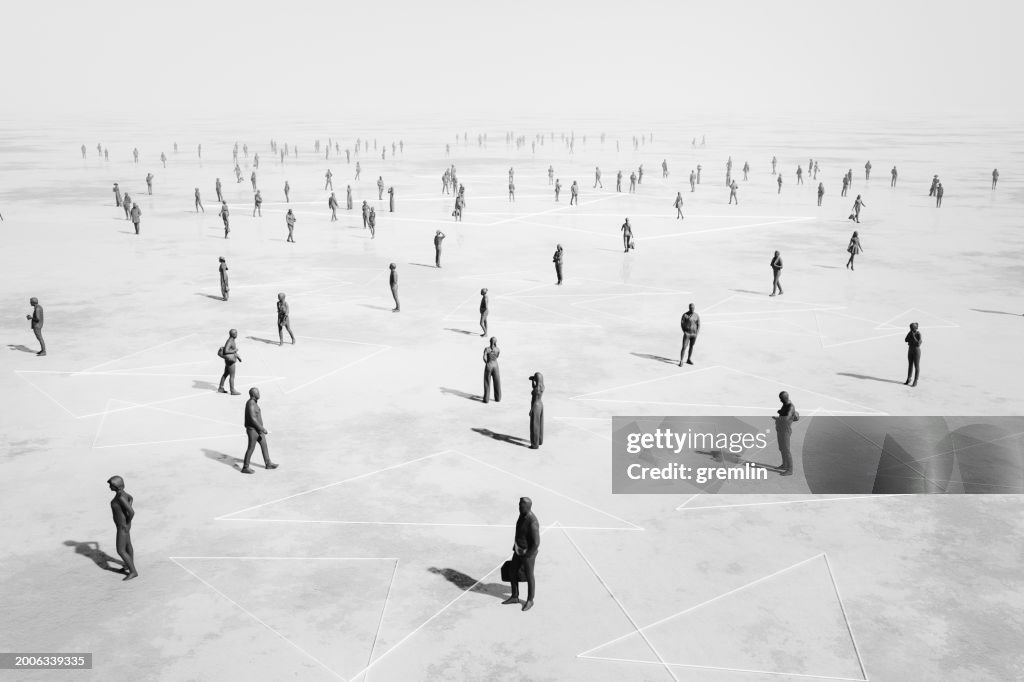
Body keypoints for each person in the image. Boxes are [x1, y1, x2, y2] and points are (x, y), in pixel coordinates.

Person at [502, 497, 540, 611]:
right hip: (518, 550)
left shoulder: (532, 521)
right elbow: (519, 532)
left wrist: (528, 555)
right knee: (512, 571)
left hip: (528, 553)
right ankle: (515, 596)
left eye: (522, 506)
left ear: (528, 507)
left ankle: (530, 600)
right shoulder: (522, 515)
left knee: (529, 576)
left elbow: (536, 543)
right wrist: (516, 547)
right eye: (519, 506)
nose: (519, 508)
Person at [107, 476, 138, 580]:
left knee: (120, 550)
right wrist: (127, 523)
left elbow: (132, 512)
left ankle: (133, 571)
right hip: (124, 526)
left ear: (116, 485)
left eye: (111, 484)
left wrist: (127, 522)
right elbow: (131, 498)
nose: (109, 486)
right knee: (128, 545)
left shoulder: (120, 497)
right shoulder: (123, 494)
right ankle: (129, 565)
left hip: (122, 527)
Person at [241, 387, 279, 474]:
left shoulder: (254, 403)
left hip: (258, 430)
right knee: (251, 448)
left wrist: (261, 429)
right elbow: (253, 419)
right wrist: (262, 428)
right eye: (258, 393)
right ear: (254, 394)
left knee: (264, 445)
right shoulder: (250, 403)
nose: (259, 394)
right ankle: (245, 467)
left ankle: (268, 463)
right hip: (253, 430)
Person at [772, 392, 798, 475]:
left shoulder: (790, 407)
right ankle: (785, 465)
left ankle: (790, 470)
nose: (780, 400)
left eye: (781, 398)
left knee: (786, 449)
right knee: (781, 448)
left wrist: (777, 418)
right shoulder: (785, 405)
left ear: (785, 398)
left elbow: (786, 419)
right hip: (780, 429)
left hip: (785, 430)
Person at [217, 330, 242, 394]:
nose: (237, 334)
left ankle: (220, 388)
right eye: (236, 333)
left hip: (229, 360)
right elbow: (226, 351)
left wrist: (238, 357)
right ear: (232, 334)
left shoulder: (232, 340)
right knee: (232, 376)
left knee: (225, 374)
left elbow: (231, 350)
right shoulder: (230, 341)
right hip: (230, 362)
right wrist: (234, 350)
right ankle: (232, 390)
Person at [483, 337, 501, 403]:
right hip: (495, 365)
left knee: (487, 381)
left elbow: (484, 357)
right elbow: (498, 355)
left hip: (489, 364)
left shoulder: (487, 349)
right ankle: (498, 397)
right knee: (497, 381)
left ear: (490, 341)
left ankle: (486, 398)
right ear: (495, 342)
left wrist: (487, 362)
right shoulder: (498, 349)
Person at [528, 373, 544, 449]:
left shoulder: (537, 389)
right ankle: (540, 440)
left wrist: (531, 410)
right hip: (541, 404)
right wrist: (533, 381)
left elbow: (535, 399)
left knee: (534, 425)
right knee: (540, 423)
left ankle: (534, 444)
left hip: (536, 406)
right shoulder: (541, 387)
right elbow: (535, 387)